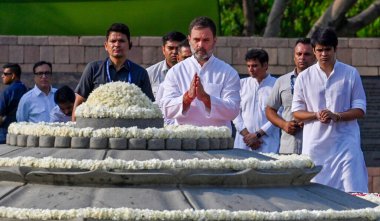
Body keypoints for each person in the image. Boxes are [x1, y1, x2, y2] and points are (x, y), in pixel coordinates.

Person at [292, 27, 368, 193]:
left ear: (335, 49)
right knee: (318, 196)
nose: (324, 54)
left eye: (327, 49)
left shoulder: (350, 73)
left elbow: (360, 109)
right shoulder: (304, 77)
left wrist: (337, 116)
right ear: (314, 50)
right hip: (316, 146)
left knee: (354, 192)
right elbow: (296, 111)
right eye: (319, 50)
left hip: (346, 144)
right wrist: (315, 115)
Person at [161, 16, 240, 129]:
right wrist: (187, 97)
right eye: (196, 40)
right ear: (189, 40)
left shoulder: (228, 72)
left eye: (206, 40)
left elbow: (233, 110)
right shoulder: (176, 71)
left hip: (218, 141)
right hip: (184, 140)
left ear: (214, 41)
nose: (201, 45)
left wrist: (206, 98)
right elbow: (167, 109)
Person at [73, 23, 154, 120]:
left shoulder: (140, 72)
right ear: (106, 45)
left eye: (121, 41)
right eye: (113, 41)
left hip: (130, 128)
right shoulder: (93, 69)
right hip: (97, 127)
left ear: (130, 45)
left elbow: (150, 106)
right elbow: (79, 102)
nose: (117, 44)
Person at [265, 38, 315, 154]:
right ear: (294, 57)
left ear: (314, 57)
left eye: (307, 54)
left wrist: (309, 119)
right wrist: (284, 124)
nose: (302, 57)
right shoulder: (282, 81)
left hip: (314, 146)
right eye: (299, 54)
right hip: (288, 146)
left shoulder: (322, 81)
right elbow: (269, 110)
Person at [233, 49, 279, 153]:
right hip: (243, 142)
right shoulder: (241, 84)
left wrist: (258, 135)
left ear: (265, 65)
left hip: (267, 143)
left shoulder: (276, 85)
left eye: (254, 66)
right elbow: (235, 112)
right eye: (248, 66)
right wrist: (247, 136)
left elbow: (279, 114)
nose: (251, 69)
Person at [147, 31, 186, 98]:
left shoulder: (193, 71)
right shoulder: (150, 73)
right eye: (170, 48)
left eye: (178, 48)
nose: (174, 52)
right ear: (163, 49)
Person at [0, 63, 28, 143]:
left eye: (5, 74)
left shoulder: (7, 91)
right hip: (21, 135)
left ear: (13, 75)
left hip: (4, 135)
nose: (2, 76)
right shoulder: (25, 89)